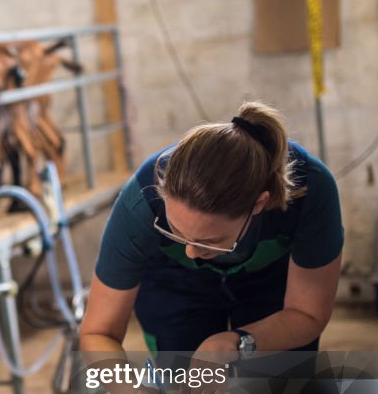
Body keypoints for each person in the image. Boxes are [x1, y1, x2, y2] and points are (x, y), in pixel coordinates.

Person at [80, 101, 343, 361]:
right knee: (181, 378)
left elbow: (307, 314)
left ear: (259, 204)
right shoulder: (141, 201)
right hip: (173, 279)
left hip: (272, 278)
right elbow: (98, 332)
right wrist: (129, 387)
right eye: (175, 230)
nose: (191, 252)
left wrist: (236, 342)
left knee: (276, 381)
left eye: (210, 241)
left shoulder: (311, 190)